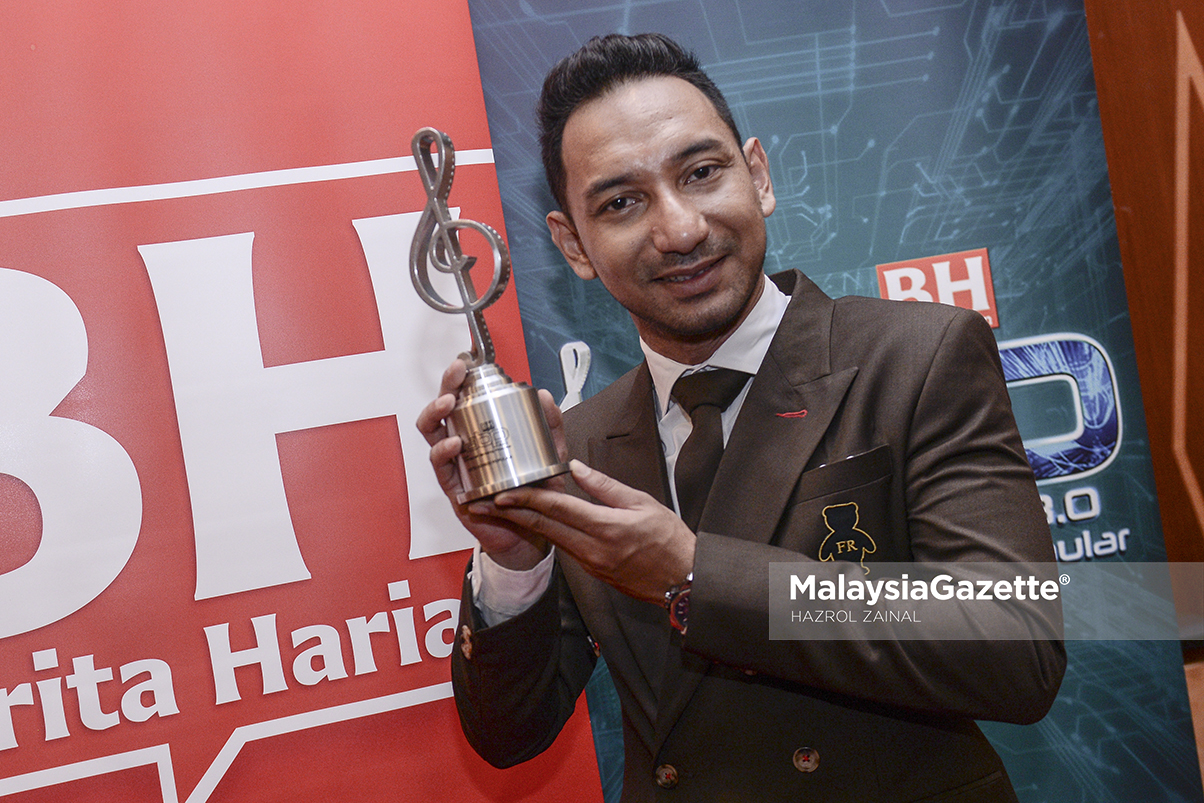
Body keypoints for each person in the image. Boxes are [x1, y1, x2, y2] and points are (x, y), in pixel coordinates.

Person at [417, 32, 1065, 803]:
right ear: (574, 245)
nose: (681, 228)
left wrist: (695, 576)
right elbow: (509, 733)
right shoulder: (582, 443)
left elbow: (1012, 646)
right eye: (622, 202)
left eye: (701, 173)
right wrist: (515, 559)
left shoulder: (917, 357)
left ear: (757, 175)